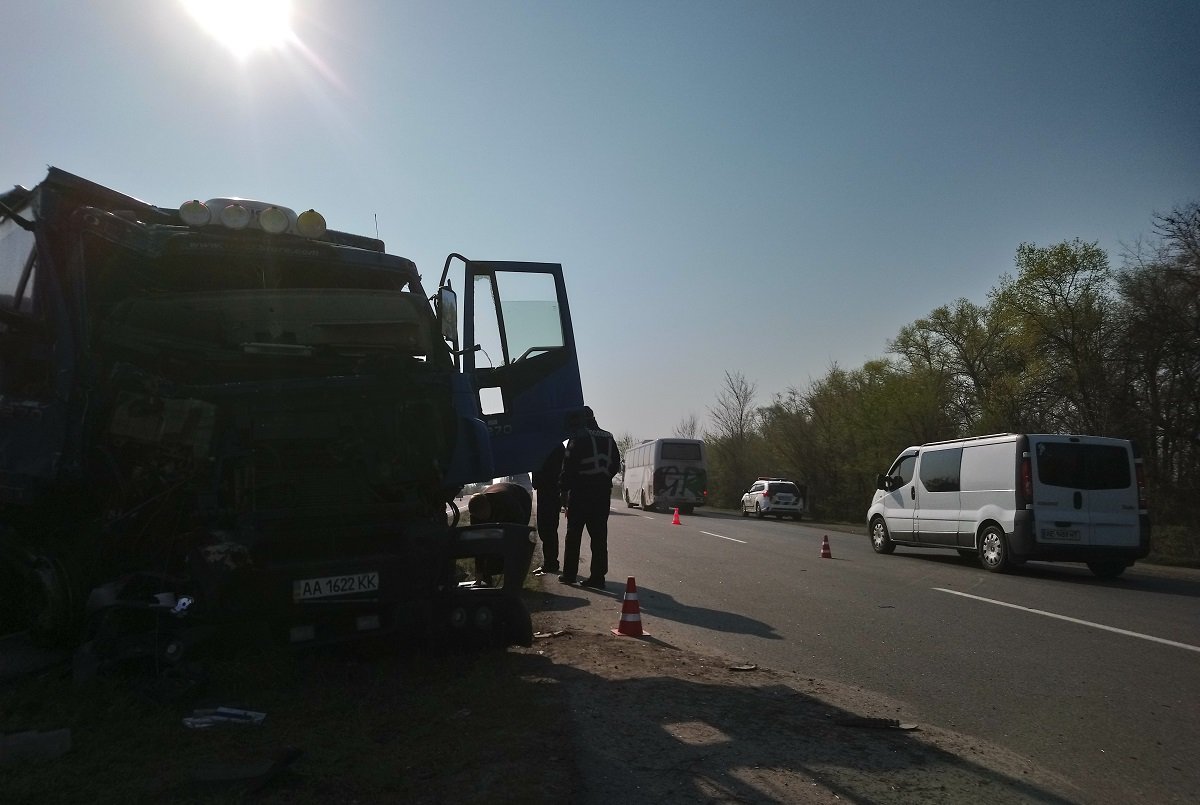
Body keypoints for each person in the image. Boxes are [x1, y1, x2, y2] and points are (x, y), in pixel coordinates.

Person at [557, 407, 621, 589]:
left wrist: (563, 490)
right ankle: (598, 578)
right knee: (599, 537)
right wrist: (603, 479)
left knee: (574, 535)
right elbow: (615, 464)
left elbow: (568, 465)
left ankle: (569, 575)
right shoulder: (608, 436)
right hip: (602, 494)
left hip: (581, 493)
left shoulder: (578, 437)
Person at [467, 479, 533, 586]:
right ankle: (486, 581)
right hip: (502, 497)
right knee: (486, 543)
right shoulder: (475, 516)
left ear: (488, 506)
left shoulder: (505, 503)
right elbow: (478, 547)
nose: (482, 519)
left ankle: (514, 580)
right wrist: (478, 578)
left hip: (521, 498)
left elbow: (519, 528)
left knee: (517, 540)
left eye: (483, 515)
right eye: (479, 518)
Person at [531, 442, 565, 576]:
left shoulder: (547, 444)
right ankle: (550, 562)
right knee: (547, 528)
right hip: (549, 489)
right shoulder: (555, 444)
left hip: (549, 489)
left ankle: (550, 563)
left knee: (547, 528)